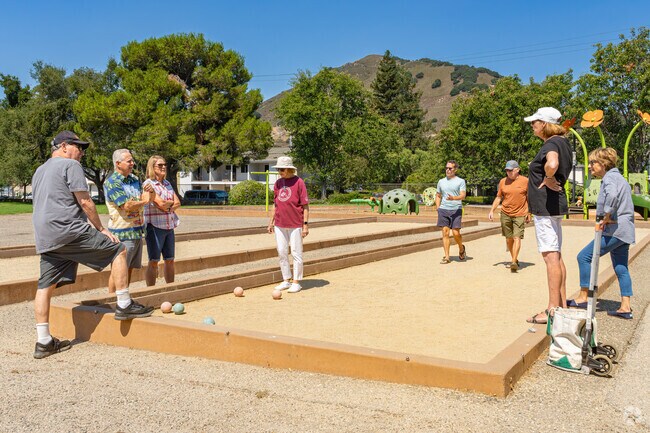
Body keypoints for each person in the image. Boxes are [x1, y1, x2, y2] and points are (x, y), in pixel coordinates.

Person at [31, 131, 153, 359]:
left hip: (45, 235)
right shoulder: (70, 166)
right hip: (69, 229)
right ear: (64, 146)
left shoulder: (40, 170)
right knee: (118, 249)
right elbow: (85, 201)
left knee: (44, 286)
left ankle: (43, 341)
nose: (82, 152)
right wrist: (101, 229)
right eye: (79, 147)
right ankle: (124, 303)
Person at [569, 148, 635, 319]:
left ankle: (584, 296)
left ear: (603, 163)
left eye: (593, 163)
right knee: (621, 267)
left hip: (614, 230)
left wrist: (605, 215)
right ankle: (625, 307)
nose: (590, 166)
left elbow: (612, 196)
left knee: (584, 257)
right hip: (625, 230)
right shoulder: (620, 178)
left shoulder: (610, 178)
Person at [524, 107, 573, 324]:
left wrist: (548, 177)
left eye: (534, 121)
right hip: (553, 206)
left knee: (550, 257)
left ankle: (552, 309)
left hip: (545, 208)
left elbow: (551, 164)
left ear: (544, 123)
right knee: (557, 256)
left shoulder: (551, 143)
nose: (532, 125)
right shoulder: (563, 143)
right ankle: (561, 305)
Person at [104, 149, 155, 293]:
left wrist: (150, 191)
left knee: (130, 268)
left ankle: (125, 298)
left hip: (136, 232)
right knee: (118, 270)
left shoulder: (134, 180)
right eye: (129, 161)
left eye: (132, 160)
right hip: (121, 234)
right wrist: (144, 201)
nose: (132, 163)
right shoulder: (112, 182)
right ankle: (113, 300)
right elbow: (126, 205)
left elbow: (146, 198)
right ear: (118, 163)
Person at [267, 156, 310, 293]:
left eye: (282, 169)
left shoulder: (299, 182)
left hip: (296, 223)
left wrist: (305, 225)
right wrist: (271, 222)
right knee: (282, 252)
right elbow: (275, 204)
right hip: (280, 223)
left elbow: (305, 206)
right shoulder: (278, 183)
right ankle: (286, 279)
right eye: (278, 169)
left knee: (296, 253)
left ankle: (296, 282)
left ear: (290, 169)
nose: (280, 171)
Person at [143, 155, 181, 286]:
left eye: (164, 164)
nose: (164, 167)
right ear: (152, 167)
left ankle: (170, 288)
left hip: (169, 225)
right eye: (160, 165)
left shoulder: (167, 183)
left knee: (170, 260)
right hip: (154, 227)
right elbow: (160, 203)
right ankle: (151, 290)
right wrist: (168, 205)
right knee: (153, 261)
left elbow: (177, 202)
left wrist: (167, 205)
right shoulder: (148, 185)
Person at [488, 160, 530, 272]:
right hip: (505, 213)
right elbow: (498, 198)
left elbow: (530, 198)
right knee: (508, 239)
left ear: (518, 169)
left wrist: (529, 212)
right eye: (507, 170)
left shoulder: (525, 181)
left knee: (517, 237)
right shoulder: (503, 182)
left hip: (520, 214)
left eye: (510, 170)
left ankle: (513, 262)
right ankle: (514, 259)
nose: (508, 172)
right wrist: (492, 210)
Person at [435, 160, 466, 264]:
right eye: (446, 168)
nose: (447, 170)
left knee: (456, 233)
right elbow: (438, 195)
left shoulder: (460, 181)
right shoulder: (441, 181)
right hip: (443, 209)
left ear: (455, 170)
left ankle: (461, 248)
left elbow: (463, 195)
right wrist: (438, 207)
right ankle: (447, 257)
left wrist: (454, 198)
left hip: (456, 209)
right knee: (445, 232)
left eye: (450, 168)